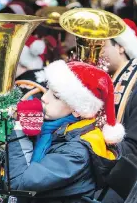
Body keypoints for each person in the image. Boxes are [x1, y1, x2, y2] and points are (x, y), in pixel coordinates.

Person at [9, 60, 125, 202]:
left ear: (77, 110)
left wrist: (18, 126)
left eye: (56, 96)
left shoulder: (77, 153)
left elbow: (19, 184)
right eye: (48, 89)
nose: (44, 98)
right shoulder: (57, 127)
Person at [100, 19, 137, 202]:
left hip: (123, 188)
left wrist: (91, 144)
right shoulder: (110, 82)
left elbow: (136, 151)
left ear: (121, 47)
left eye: (102, 45)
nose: (97, 52)